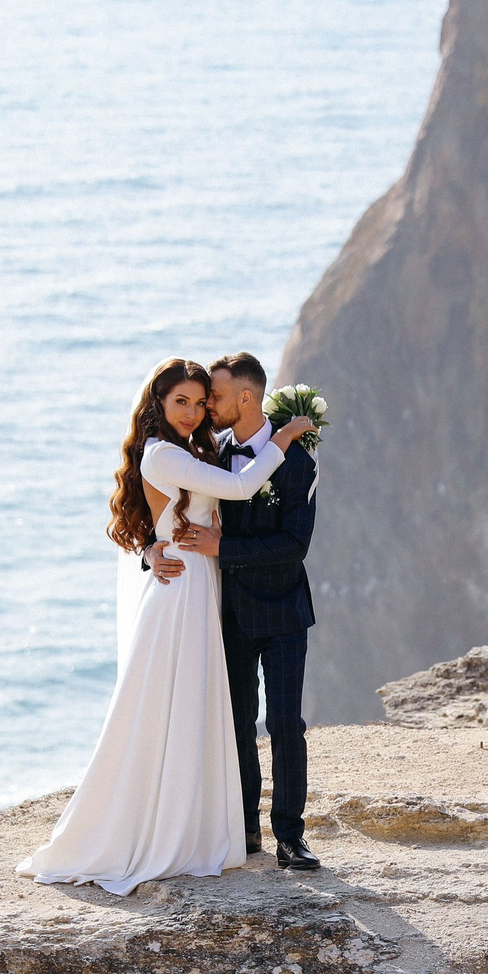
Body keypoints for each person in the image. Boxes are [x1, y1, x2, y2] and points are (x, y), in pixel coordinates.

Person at [18, 359, 313, 894]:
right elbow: (238, 490)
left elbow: (261, 529)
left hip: (230, 594)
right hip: (188, 596)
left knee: (228, 715)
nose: (197, 411)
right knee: (182, 712)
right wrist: (288, 432)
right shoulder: (169, 453)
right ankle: (186, 829)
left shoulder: (206, 451)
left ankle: (248, 832)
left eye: (202, 402)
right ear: (158, 402)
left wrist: (158, 545)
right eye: (184, 401)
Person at [155, 352, 320, 868]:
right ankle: (245, 830)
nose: (207, 409)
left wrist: (222, 549)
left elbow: (295, 543)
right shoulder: (210, 453)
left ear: (245, 398)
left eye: (216, 398)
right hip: (229, 612)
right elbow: (167, 512)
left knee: (286, 722)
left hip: (286, 611)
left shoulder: (298, 460)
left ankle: (291, 837)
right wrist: (151, 551)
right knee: (238, 722)